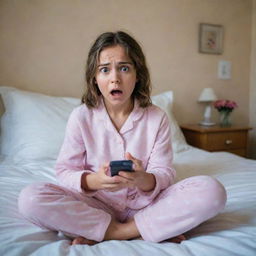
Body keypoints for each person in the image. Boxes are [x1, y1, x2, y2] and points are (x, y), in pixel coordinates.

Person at [18, 31, 227, 245]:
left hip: (148, 205)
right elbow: (65, 171)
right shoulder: (81, 117)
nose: (115, 78)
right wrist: (94, 180)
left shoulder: (157, 117)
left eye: (124, 68)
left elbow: (164, 172)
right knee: (30, 199)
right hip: (95, 203)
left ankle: (110, 232)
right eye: (104, 70)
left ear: (138, 76)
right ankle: (145, 229)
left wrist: (142, 178)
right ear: (95, 78)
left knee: (212, 190)